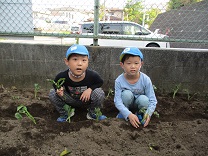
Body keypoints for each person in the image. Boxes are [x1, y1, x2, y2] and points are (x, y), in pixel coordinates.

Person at [49, 44, 107, 122]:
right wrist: (59, 89)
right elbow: (55, 84)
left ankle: (92, 113)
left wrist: (90, 89)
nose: (79, 63)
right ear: (67, 61)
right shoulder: (62, 76)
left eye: (83, 60)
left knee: (98, 92)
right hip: (69, 99)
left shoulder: (92, 75)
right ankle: (66, 113)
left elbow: (100, 82)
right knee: (52, 93)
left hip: (86, 100)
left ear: (87, 62)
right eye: (75, 59)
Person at [114, 47, 157, 128]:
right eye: (129, 63)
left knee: (144, 99)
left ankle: (140, 114)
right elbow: (117, 101)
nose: (133, 66)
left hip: (139, 105)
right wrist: (128, 114)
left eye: (136, 63)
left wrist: (148, 114)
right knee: (126, 94)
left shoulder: (146, 79)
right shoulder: (119, 81)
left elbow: (153, 100)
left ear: (141, 64)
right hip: (126, 105)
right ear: (122, 65)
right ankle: (123, 114)